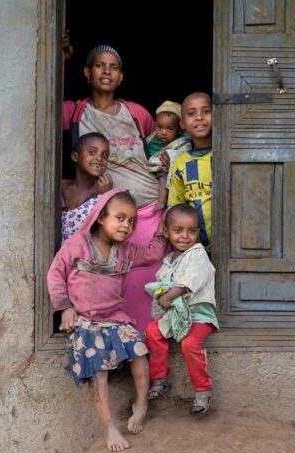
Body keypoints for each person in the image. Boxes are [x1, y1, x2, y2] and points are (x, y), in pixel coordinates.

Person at [47, 189, 168, 452]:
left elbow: (153, 253)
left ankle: (142, 403)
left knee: (140, 353)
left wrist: (161, 220)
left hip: (116, 319)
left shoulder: (125, 252)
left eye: (132, 221)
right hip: (87, 323)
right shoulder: (77, 245)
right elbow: (55, 274)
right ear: (101, 218)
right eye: (120, 218)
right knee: (98, 374)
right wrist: (65, 307)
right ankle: (109, 427)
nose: (127, 225)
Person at [62, 43, 164, 332]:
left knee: (149, 288)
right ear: (86, 72)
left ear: (121, 77)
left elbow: (160, 144)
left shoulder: (136, 113)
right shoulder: (75, 112)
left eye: (114, 67)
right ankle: (121, 350)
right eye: (99, 65)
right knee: (119, 287)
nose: (107, 71)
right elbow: (42, 103)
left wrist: (168, 162)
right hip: (109, 217)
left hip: (150, 210)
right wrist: (61, 59)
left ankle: (148, 357)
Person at [144, 204, 219, 416]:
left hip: (199, 315)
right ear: (166, 232)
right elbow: (160, 288)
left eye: (192, 231)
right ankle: (160, 378)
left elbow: (190, 280)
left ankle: (203, 391)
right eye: (178, 230)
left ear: (198, 232)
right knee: (152, 331)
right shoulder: (168, 261)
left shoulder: (198, 253)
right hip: (175, 315)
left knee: (189, 343)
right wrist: (160, 305)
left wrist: (168, 295)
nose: (185, 236)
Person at [167, 92, 213, 251]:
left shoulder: (225, 156)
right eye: (191, 113)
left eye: (206, 111)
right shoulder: (181, 163)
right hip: (195, 248)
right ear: (182, 124)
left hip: (232, 244)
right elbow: (175, 206)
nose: (199, 117)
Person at [61, 132, 113, 244]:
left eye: (105, 156)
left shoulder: (103, 191)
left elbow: (109, 230)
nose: (99, 158)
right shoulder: (60, 188)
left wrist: (107, 196)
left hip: (87, 258)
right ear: (75, 156)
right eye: (92, 152)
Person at [145, 101, 192, 212]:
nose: (163, 132)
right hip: (149, 168)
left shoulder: (181, 143)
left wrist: (171, 159)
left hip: (162, 170)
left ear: (179, 129)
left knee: (162, 176)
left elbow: (183, 154)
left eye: (169, 129)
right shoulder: (152, 138)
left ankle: (162, 200)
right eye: (159, 128)